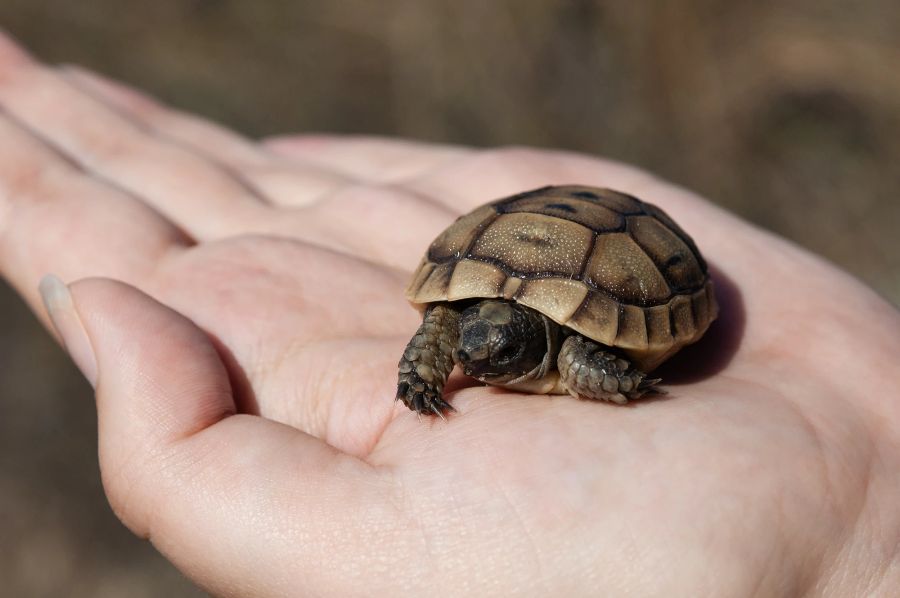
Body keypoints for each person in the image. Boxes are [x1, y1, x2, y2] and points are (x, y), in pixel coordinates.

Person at [1, 32, 898, 597]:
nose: (478, 354)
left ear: (530, 346)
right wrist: (421, 367)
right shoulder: (464, 329)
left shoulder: (571, 350)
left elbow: (580, 353)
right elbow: (444, 328)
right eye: (474, 345)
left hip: (623, 247)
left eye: (493, 350)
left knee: (595, 372)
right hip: (528, 238)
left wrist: (606, 371)